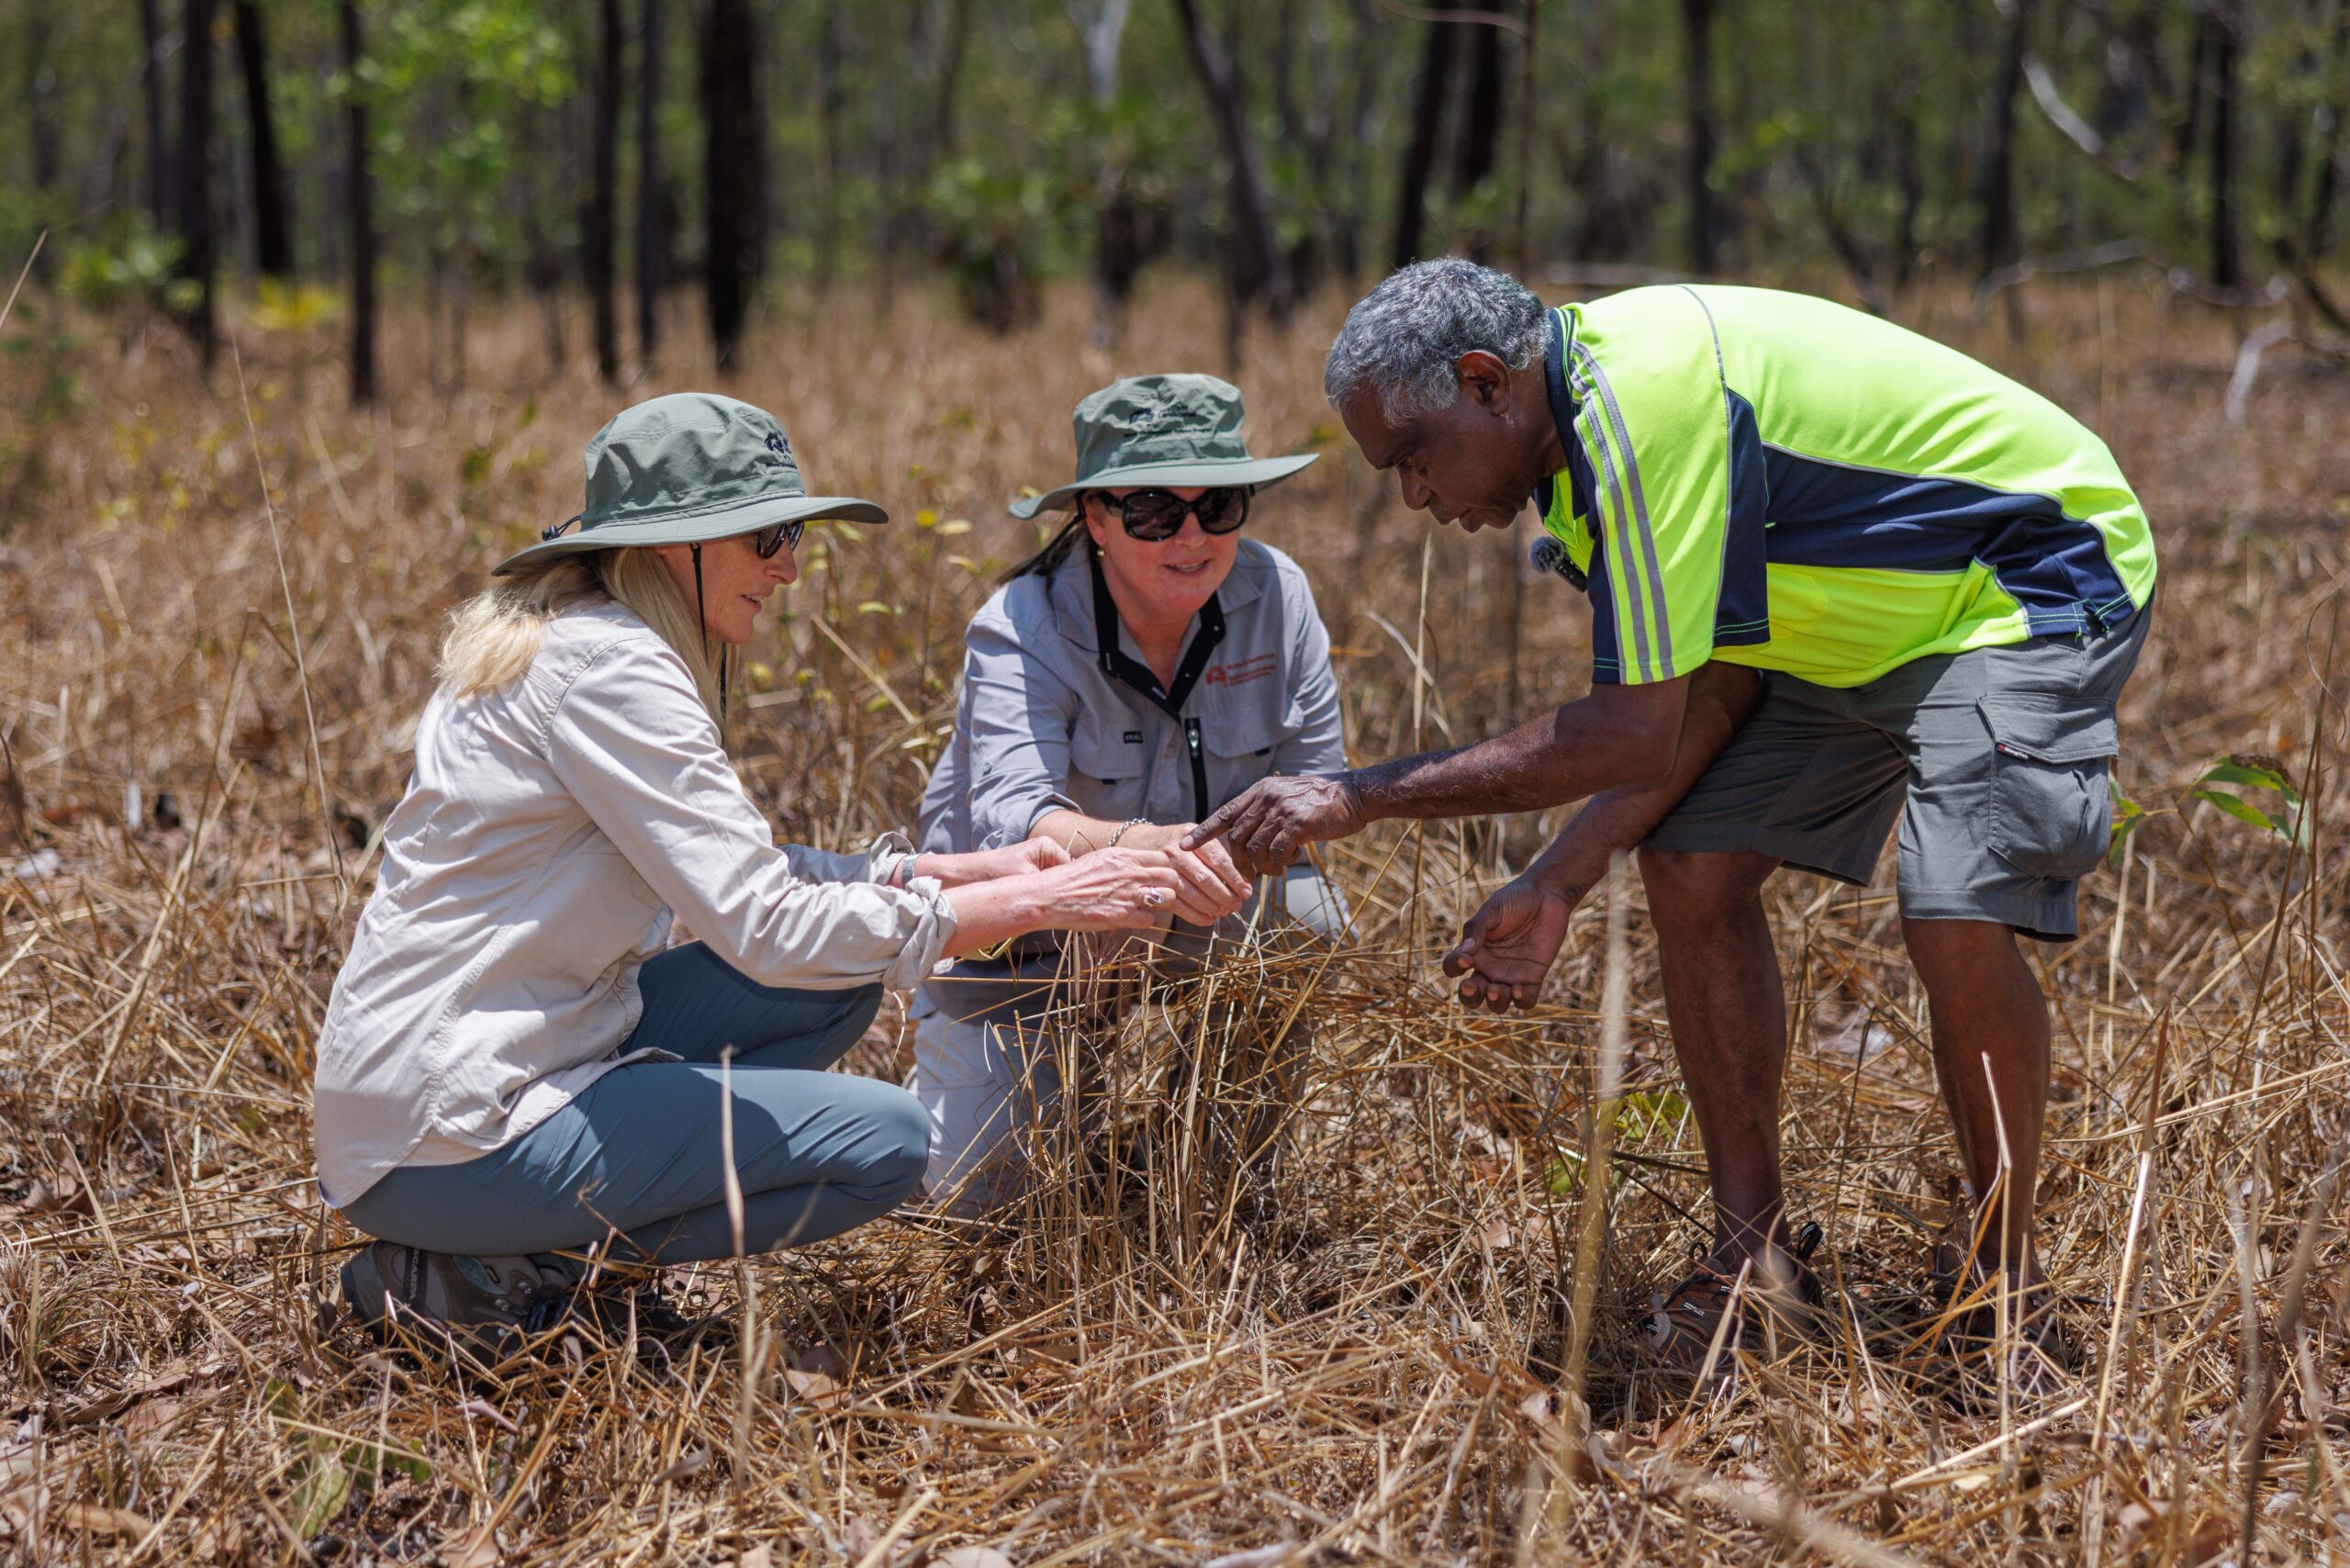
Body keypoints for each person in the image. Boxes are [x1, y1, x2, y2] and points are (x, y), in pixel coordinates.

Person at [1190, 261, 2156, 1372]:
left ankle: (2004, 1282)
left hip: (2022, 574)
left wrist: (1353, 796)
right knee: (1690, 863)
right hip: (1854, 625)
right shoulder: (1571, 465)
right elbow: (1710, 686)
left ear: (1485, 382)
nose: (1412, 494)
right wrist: (1556, 879)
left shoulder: (1641, 415)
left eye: (1413, 455)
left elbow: (1629, 731)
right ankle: (1754, 1263)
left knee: (1948, 902)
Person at [317, 393, 1182, 1343]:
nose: (790, 563)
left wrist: (968, 868)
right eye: (767, 532)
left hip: (442, 1089)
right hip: (453, 1128)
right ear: (669, 545)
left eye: (794, 533)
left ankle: (489, 1259)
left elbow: (748, 873)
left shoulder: (577, 638)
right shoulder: (613, 672)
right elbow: (765, 927)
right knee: (886, 1146)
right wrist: (1044, 897)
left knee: (831, 989)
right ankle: (500, 1275)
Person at [906, 374, 1349, 1217]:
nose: (1191, 536)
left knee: (1309, 919)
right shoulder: (1020, 625)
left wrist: (1148, 900)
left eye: (1217, 506)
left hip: (1204, 905)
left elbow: (1313, 797)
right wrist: (1112, 900)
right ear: (1097, 519)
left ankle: (1212, 1179)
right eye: (1153, 511)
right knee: (983, 1210)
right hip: (1024, 928)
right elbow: (1020, 825)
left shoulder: (1279, 596)